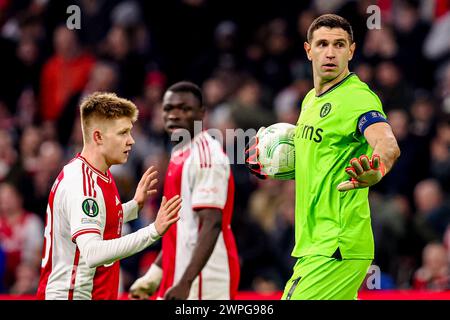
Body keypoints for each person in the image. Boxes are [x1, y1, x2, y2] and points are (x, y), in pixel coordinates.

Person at [245, 14, 401, 300]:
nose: (330, 52)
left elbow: (387, 143)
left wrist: (376, 169)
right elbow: (319, 159)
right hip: (317, 244)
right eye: (323, 44)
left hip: (335, 245)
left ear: (351, 51)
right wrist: (271, 165)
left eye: (340, 44)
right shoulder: (309, 101)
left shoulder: (358, 98)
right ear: (308, 50)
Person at [36, 92, 181, 300]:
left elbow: (98, 220)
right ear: (98, 137)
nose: (131, 141)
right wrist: (153, 231)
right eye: (123, 133)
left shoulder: (99, 173)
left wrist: (133, 207)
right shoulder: (81, 183)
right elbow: (93, 252)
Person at [129, 81, 240, 300]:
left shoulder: (207, 157)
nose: (174, 115)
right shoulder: (180, 152)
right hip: (181, 275)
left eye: (184, 109)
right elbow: (180, 228)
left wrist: (186, 283)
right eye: (169, 109)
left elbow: (211, 223)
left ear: (202, 114)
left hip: (204, 280)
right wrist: (155, 273)